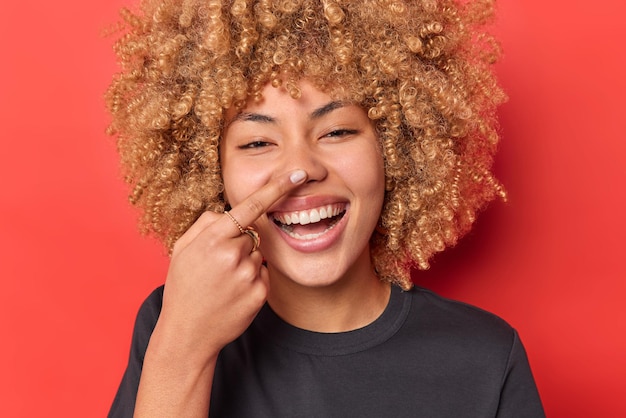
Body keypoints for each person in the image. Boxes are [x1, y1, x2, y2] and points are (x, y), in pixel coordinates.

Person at [106, 0, 544, 416]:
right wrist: (183, 349)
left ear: (398, 148)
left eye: (336, 132)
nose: (299, 170)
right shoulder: (175, 322)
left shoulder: (484, 358)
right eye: (258, 142)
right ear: (210, 170)